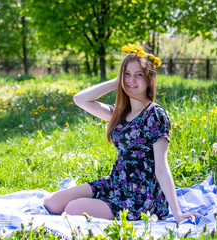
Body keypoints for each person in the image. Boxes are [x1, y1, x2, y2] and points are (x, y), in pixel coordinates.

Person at [43, 44, 201, 223]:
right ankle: (100, 204)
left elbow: (162, 168)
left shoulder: (154, 114)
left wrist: (178, 213)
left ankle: (101, 207)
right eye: (127, 74)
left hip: (141, 196)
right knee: (52, 203)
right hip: (116, 183)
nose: (131, 80)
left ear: (149, 79)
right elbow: (80, 99)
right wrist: (117, 81)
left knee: (73, 208)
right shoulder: (119, 112)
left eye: (138, 75)